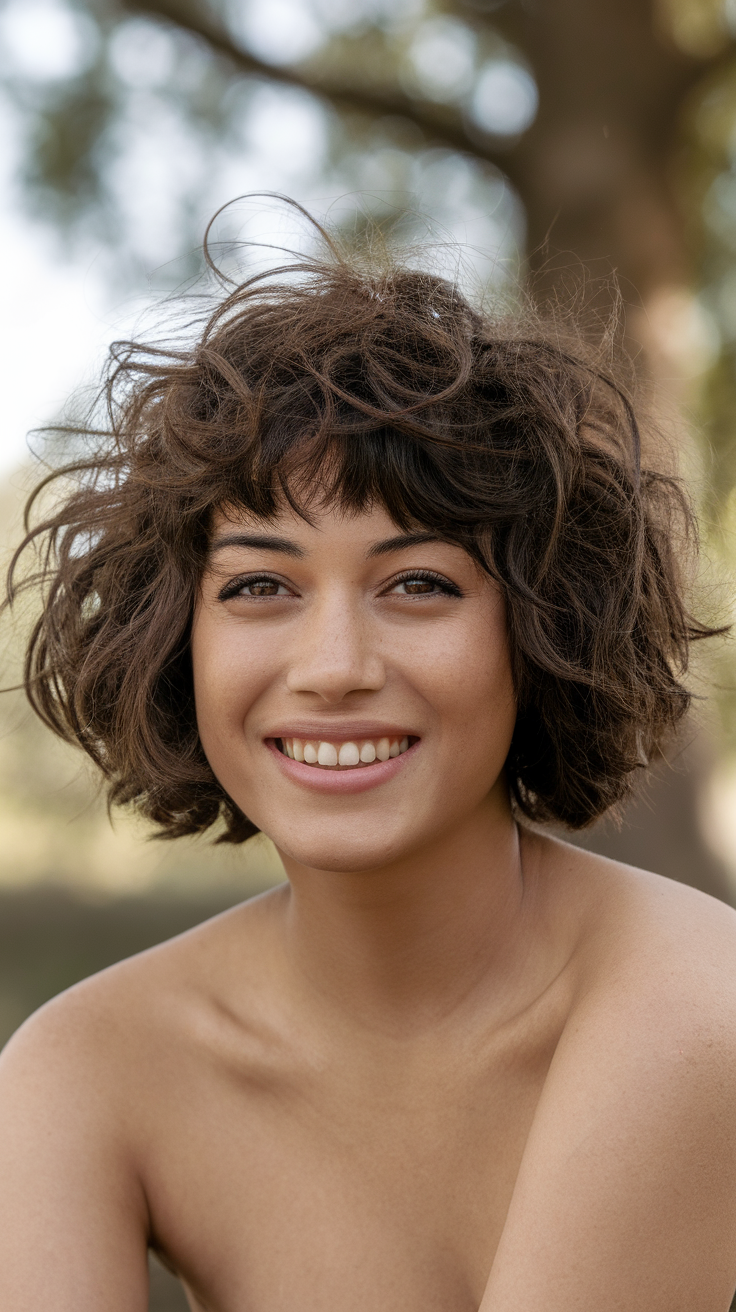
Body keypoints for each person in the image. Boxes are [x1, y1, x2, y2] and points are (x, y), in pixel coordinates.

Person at [2, 203, 736, 1312]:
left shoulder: (694, 1003)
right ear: (176, 640)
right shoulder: (82, 1068)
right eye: (259, 586)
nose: (333, 665)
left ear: (538, 628)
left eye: (418, 584)